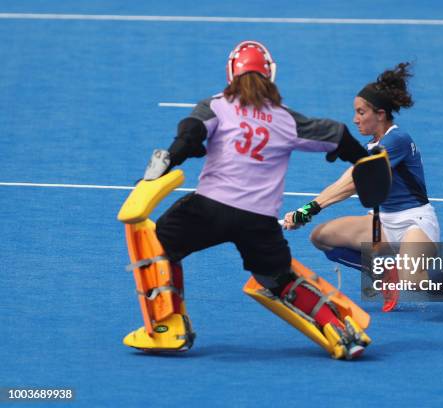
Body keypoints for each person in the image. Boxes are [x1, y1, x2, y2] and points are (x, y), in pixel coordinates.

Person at [122, 40, 373, 359]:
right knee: (278, 280)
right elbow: (336, 133)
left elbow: (189, 135)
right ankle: (339, 329)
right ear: (270, 76)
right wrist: (363, 161)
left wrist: (166, 161)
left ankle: (168, 327)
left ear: (231, 74)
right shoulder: (286, 120)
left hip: (209, 209)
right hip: (259, 221)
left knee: (160, 245)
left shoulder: (216, 105)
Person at [284, 63, 443, 312]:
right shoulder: (371, 147)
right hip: (381, 223)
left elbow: (352, 183)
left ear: (380, 114)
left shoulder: (397, 140)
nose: (355, 119)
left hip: (415, 223)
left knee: (414, 281)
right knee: (321, 237)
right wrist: (307, 210)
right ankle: (383, 274)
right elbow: (347, 181)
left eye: (361, 112)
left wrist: (309, 209)